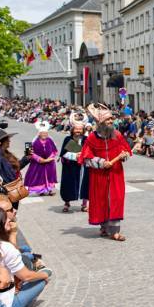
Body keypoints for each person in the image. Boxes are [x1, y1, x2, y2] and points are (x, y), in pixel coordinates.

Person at [78, 104, 131, 242]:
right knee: (101, 200)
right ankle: (104, 226)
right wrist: (101, 162)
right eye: (108, 120)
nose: (111, 122)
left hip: (116, 174)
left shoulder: (117, 135)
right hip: (99, 176)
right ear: (100, 123)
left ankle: (115, 231)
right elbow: (86, 158)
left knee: (116, 200)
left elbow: (125, 150)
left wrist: (124, 155)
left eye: (112, 120)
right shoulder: (91, 138)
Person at [59, 113, 90, 213]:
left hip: (83, 167)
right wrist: (74, 156)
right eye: (76, 129)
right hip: (70, 166)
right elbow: (63, 154)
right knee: (68, 184)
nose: (78, 131)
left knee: (85, 184)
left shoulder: (86, 139)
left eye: (80, 129)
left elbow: (90, 151)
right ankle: (67, 202)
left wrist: (83, 155)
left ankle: (85, 204)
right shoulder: (68, 139)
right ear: (72, 129)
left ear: (83, 130)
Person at [24, 121, 58, 196]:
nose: (44, 135)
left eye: (46, 133)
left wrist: (49, 158)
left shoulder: (50, 140)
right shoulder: (34, 141)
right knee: (38, 177)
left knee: (49, 176)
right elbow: (28, 153)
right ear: (39, 133)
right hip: (38, 163)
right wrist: (39, 159)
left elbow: (55, 151)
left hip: (49, 163)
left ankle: (49, 190)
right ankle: (41, 191)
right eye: (42, 133)